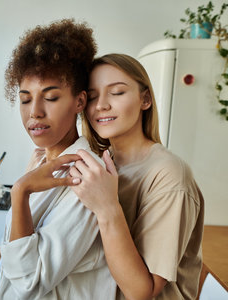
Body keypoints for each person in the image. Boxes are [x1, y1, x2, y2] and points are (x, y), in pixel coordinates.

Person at [0, 19, 117, 299]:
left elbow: (30, 282)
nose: (34, 112)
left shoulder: (87, 177)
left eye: (50, 97)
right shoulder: (39, 159)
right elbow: (29, 248)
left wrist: (21, 191)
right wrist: (3, 273)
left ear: (80, 102)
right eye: (25, 99)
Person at [69, 53, 204, 299]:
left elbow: (141, 292)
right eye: (93, 96)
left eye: (117, 92)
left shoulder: (169, 175)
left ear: (145, 99)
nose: (101, 105)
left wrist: (107, 208)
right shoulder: (101, 164)